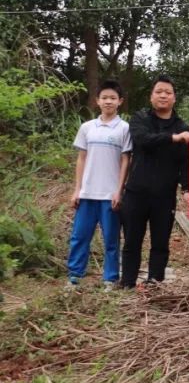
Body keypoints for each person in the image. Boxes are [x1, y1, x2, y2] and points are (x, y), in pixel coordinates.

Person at [120, 75, 189, 288]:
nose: (163, 96)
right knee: (132, 240)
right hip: (136, 191)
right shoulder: (140, 119)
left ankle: (154, 283)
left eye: (168, 92)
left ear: (174, 98)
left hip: (164, 194)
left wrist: (186, 187)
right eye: (159, 91)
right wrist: (173, 138)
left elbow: (185, 162)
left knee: (160, 242)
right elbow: (143, 140)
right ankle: (128, 282)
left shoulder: (181, 126)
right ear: (151, 96)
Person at [67, 80, 131, 289]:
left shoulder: (124, 128)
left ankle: (110, 278)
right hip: (87, 194)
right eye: (104, 98)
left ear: (120, 101)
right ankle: (75, 276)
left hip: (109, 195)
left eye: (113, 98)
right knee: (79, 236)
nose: (108, 101)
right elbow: (81, 158)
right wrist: (77, 189)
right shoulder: (87, 128)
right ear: (97, 101)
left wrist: (119, 191)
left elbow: (125, 160)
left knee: (111, 240)